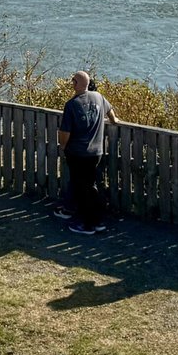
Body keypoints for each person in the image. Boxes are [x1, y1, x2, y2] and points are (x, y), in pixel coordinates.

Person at [58, 70, 120, 236]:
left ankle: (88, 224)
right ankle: (97, 221)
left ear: (76, 84)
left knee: (83, 189)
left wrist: (63, 146)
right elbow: (111, 112)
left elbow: (65, 132)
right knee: (90, 187)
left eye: (73, 81)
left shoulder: (72, 104)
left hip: (78, 153)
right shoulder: (98, 97)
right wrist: (114, 121)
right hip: (96, 152)